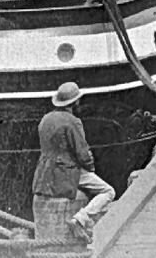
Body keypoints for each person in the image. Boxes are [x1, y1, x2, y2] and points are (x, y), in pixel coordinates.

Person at [33, 81, 116, 247]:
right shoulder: (72, 121)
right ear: (75, 102)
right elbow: (82, 153)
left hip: (44, 172)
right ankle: (80, 219)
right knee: (108, 192)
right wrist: (90, 168)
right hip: (67, 171)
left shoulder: (45, 119)